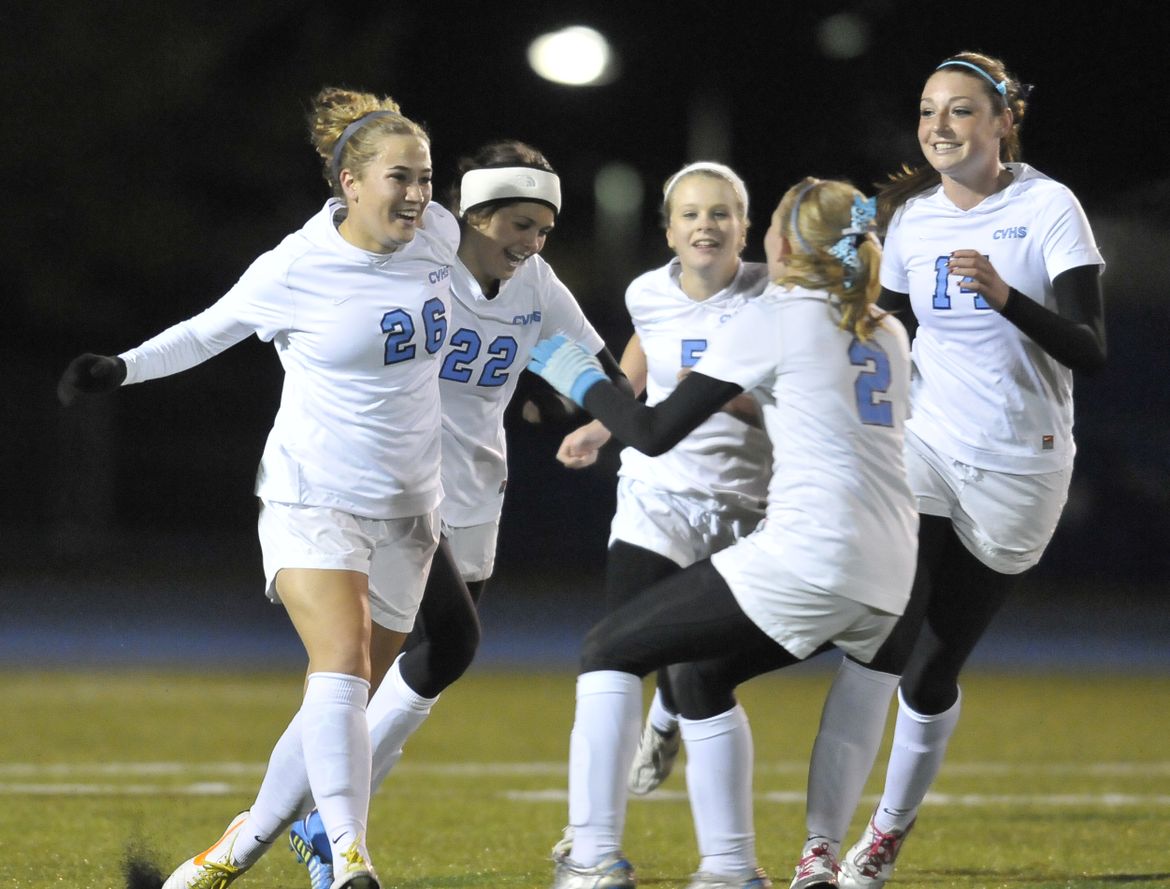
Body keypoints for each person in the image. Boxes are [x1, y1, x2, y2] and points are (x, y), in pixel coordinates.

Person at [57, 87, 460, 889]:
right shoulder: (297, 265)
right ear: (349, 181)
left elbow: (508, 277)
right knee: (340, 661)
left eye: (425, 177)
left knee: (343, 695)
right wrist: (123, 368)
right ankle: (350, 860)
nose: (417, 194)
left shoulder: (441, 234)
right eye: (399, 178)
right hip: (314, 495)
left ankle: (228, 855)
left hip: (412, 506)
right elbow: (209, 330)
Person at [526, 177, 918, 889]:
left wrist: (580, 380)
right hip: (893, 574)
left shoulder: (776, 317)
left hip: (812, 553)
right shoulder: (884, 328)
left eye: (768, 220)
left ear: (786, 242)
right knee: (698, 672)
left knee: (607, 647)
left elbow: (650, 430)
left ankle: (592, 858)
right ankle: (731, 869)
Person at [791, 52, 1107, 889]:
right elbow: (887, 334)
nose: (939, 126)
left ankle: (888, 831)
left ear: (1005, 121)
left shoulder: (1049, 207)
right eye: (929, 109)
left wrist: (1008, 296)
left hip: (1020, 467)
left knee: (931, 672)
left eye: (961, 111)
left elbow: (1091, 350)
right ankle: (820, 849)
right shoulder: (916, 221)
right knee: (880, 639)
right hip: (923, 444)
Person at [284, 140, 629, 889]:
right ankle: (324, 824)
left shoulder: (535, 283)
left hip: (475, 491)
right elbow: (346, 241)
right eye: (518, 224)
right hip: (395, 487)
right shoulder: (421, 250)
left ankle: (312, 815)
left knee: (427, 658)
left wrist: (602, 412)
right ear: (472, 212)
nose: (531, 243)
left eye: (543, 228)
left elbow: (584, 364)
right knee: (438, 644)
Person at [555, 161, 772, 805]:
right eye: (690, 214)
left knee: (696, 664)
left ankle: (667, 718)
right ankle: (591, 830)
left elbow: (804, 399)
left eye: (720, 213)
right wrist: (603, 428)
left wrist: (735, 401)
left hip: (746, 506)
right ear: (670, 232)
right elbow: (646, 348)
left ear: (745, 228)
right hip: (659, 494)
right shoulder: (647, 291)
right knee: (621, 643)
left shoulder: (775, 298)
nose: (705, 225)